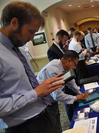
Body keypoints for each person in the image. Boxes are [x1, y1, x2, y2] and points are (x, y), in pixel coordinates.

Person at [0, 1, 65, 133]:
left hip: (43, 115)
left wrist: (41, 86)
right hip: (24, 127)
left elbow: (19, 85)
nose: (31, 38)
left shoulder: (18, 49)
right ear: (14, 23)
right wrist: (35, 93)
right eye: (30, 32)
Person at [37, 51, 88, 132]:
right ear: (69, 61)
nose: (75, 68)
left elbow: (71, 82)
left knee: (57, 122)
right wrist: (76, 97)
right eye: (75, 64)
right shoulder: (53, 70)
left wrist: (80, 93)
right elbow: (57, 95)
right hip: (45, 104)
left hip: (52, 100)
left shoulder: (63, 66)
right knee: (52, 127)